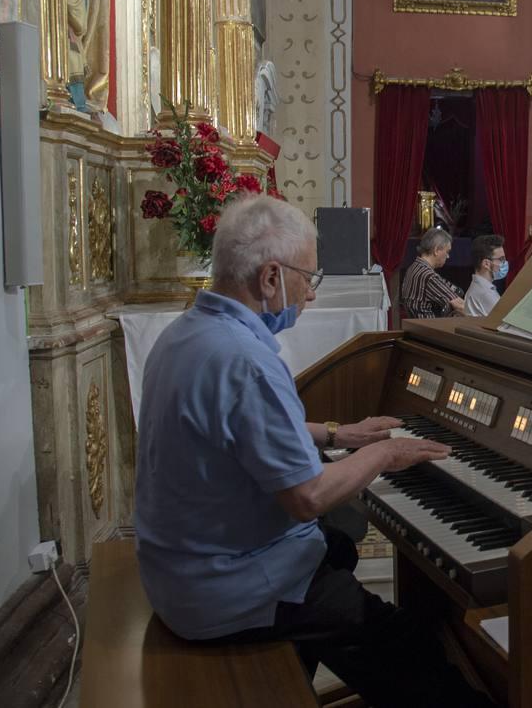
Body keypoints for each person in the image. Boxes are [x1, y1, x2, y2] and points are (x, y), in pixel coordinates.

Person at [135, 195, 494, 707]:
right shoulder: (247, 360)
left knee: (342, 542)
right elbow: (307, 497)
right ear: (270, 278)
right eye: (309, 278)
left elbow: (237, 427)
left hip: (179, 570)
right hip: (224, 590)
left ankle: (304, 655)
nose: (311, 295)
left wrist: (338, 434)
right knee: (405, 644)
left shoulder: (186, 334)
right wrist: (385, 455)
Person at [401, 227, 465, 319]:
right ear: (436, 250)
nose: (448, 256)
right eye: (447, 251)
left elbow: (456, 291)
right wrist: (482, 317)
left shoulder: (414, 267)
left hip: (417, 328)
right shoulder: (428, 275)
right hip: (430, 330)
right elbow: (458, 305)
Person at [464, 234, 506, 317]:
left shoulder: (485, 288)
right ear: (486, 264)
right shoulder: (484, 293)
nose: (504, 263)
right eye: (501, 259)